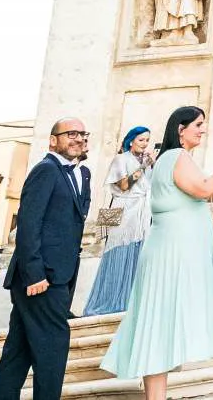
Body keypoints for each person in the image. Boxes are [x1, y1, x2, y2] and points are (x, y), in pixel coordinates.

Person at [100, 107, 213, 399]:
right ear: (180, 129)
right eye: (198, 124)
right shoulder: (175, 156)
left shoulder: (176, 159)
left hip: (173, 250)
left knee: (160, 326)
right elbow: (204, 189)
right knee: (158, 324)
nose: (203, 129)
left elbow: (212, 193)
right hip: (170, 253)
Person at [0, 118, 90, 400]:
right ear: (53, 140)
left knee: (17, 354)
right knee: (53, 350)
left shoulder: (80, 174)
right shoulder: (45, 170)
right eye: (71, 133)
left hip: (59, 275)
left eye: (82, 134)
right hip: (41, 278)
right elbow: (29, 223)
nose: (78, 138)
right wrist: (35, 274)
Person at [84, 127, 155, 315]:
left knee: (138, 253)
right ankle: (110, 300)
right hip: (125, 212)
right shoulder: (120, 160)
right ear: (131, 141)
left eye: (147, 140)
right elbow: (124, 185)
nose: (145, 144)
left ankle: (132, 300)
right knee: (119, 252)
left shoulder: (146, 163)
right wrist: (143, 167)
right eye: (141, 140)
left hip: (143, 213)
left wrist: (152, 165)